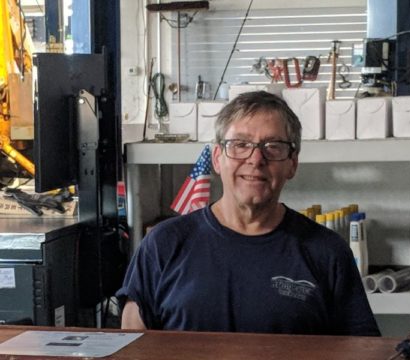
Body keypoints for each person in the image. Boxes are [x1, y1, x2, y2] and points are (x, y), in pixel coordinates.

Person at [117, 91, 380, 336]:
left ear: (292, 164)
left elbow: (362, 349)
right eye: (240, 144)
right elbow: (131, 346)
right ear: (218, 158)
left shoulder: (327, 251)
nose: (256, 159)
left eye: (273, 146)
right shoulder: (164, 244)